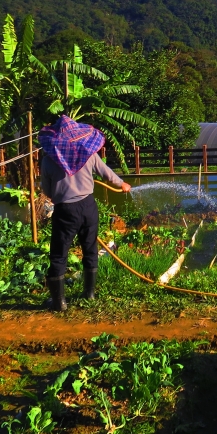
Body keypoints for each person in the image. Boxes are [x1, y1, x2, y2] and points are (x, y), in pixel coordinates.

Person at [39, 115, 130, 312]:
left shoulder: (48, 161)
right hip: (88, 207)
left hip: (65, 210)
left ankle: (59, 303)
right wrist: (122, 184)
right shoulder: (88, 154)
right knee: (90, 248)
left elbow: (47, 191)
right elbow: (106, 173)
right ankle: (89, 294)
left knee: (58, 254)